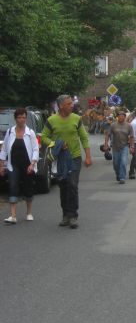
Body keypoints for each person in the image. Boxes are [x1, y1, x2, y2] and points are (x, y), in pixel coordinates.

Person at [41, 94, 92, 229]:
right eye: (69, 104)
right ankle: (65, 215)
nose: (72, 105)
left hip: (74, 157)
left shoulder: (76, 118)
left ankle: (73, 215)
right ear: (61, 106)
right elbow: (44, 136)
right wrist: (55, 143)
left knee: (72, 185)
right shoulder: (51, 120)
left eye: (71, 103)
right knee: (63, 186)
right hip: (60, 160)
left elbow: (84, 138)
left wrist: (88, 157)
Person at [0, 108, 40, 223]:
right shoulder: (10, 132)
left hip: (28, 165)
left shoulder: (30, 133)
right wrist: (1, 165)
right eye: (19, 117)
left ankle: (29, 212)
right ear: (15, 119)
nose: (21, 120)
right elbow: (4, 149)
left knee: (28, 188)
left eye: (23, 117)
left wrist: (32, 163)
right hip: (13, 165)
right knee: (12, 186)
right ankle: (13, 216)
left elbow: (35, 150)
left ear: (26, 118)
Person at [104, 109, 134, 184]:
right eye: (119, 116)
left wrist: (132, 146)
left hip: (125, 146)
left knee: (123, 162)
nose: (121, 117)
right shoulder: (113, 125)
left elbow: (132, 137)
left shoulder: (129, 126)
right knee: (116, 163)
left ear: (124, 117)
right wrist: (106, 144)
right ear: (117, 117)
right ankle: (118, 174)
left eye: (122, 116)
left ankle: (122, 177)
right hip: (115, 146)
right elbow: (107, 135)